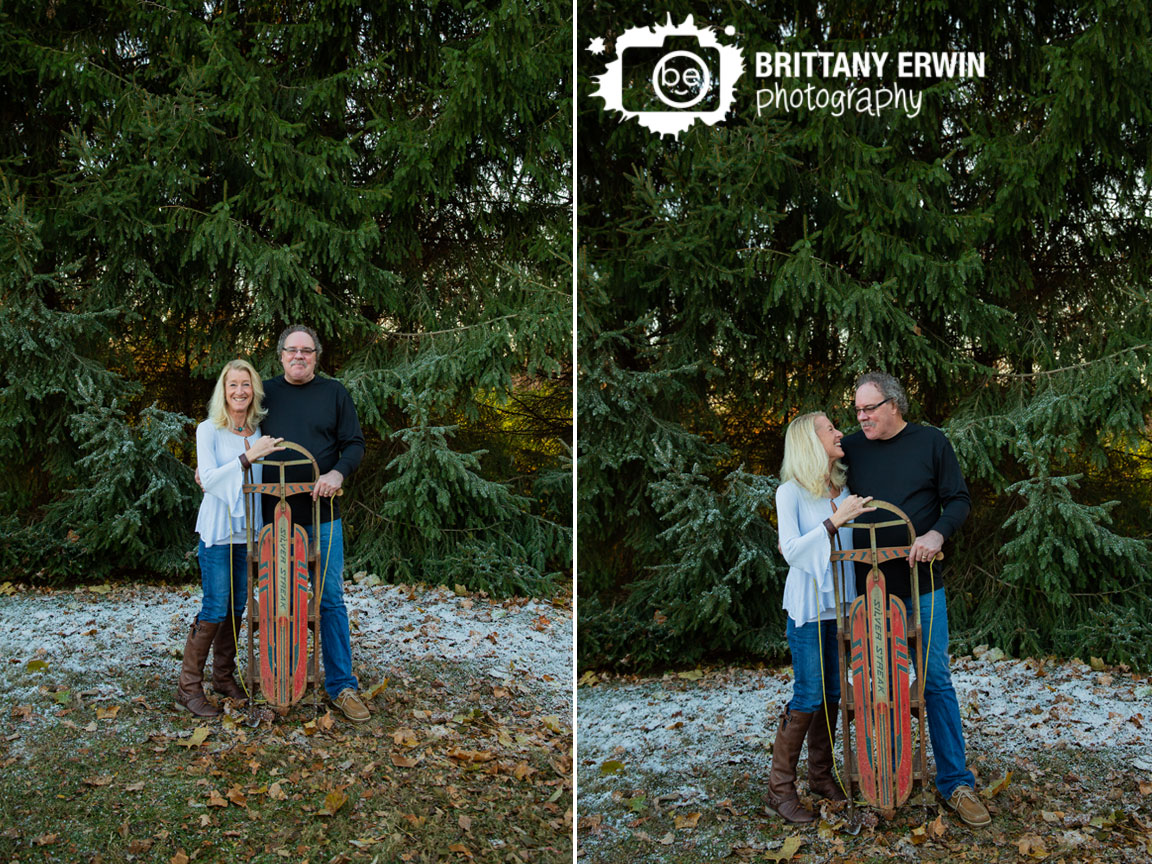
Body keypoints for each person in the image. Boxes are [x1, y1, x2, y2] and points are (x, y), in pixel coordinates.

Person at [840, 371, 991, 827]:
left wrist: (935, 532)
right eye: (858, 410)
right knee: (870, 686)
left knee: (934, 680)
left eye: (869, 408)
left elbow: (958, 500)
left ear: (894, 405)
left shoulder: (931, 443)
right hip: (865, 593)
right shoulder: (850, 447)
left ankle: (954, 783)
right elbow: (817, 485)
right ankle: (878, 778)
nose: (861, 417)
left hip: (922, 586)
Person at [259, 323, 370, 723]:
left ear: (316, 356)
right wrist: (211, 468)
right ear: (281, 355)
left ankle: (342, 686)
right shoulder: (263, 393)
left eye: (307, 350)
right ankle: (280, 681)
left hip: (323, 516)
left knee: (329, 600)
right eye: (292, 350)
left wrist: (338, 474)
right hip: (274, 518)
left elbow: (354, 443)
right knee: (277, 601)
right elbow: (233, 430)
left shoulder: (334, 393)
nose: (299, 356)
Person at [769, 412, 875, 823]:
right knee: (809, 695)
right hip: (809, 610)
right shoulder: (790, 492)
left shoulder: (844, 489)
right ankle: (779, 790)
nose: (839, 433)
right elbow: (792, 550)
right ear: (809, 442)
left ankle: (819, 775)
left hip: (841, 608)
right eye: (830, 429)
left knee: (834, 694)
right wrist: (835, 520)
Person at [178, 359, 284, 717]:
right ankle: (188, 687)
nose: (239, 391)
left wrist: (253, 450)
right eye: (232, 385)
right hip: (217, 532)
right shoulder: (208, 430)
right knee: (214, 605)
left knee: (237, 606)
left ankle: (223, 677)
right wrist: (246, 457)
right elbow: (207, 478)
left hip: (246, 531)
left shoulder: (258, 431)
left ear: (254, 390)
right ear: (223, 391)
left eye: (246, 384)